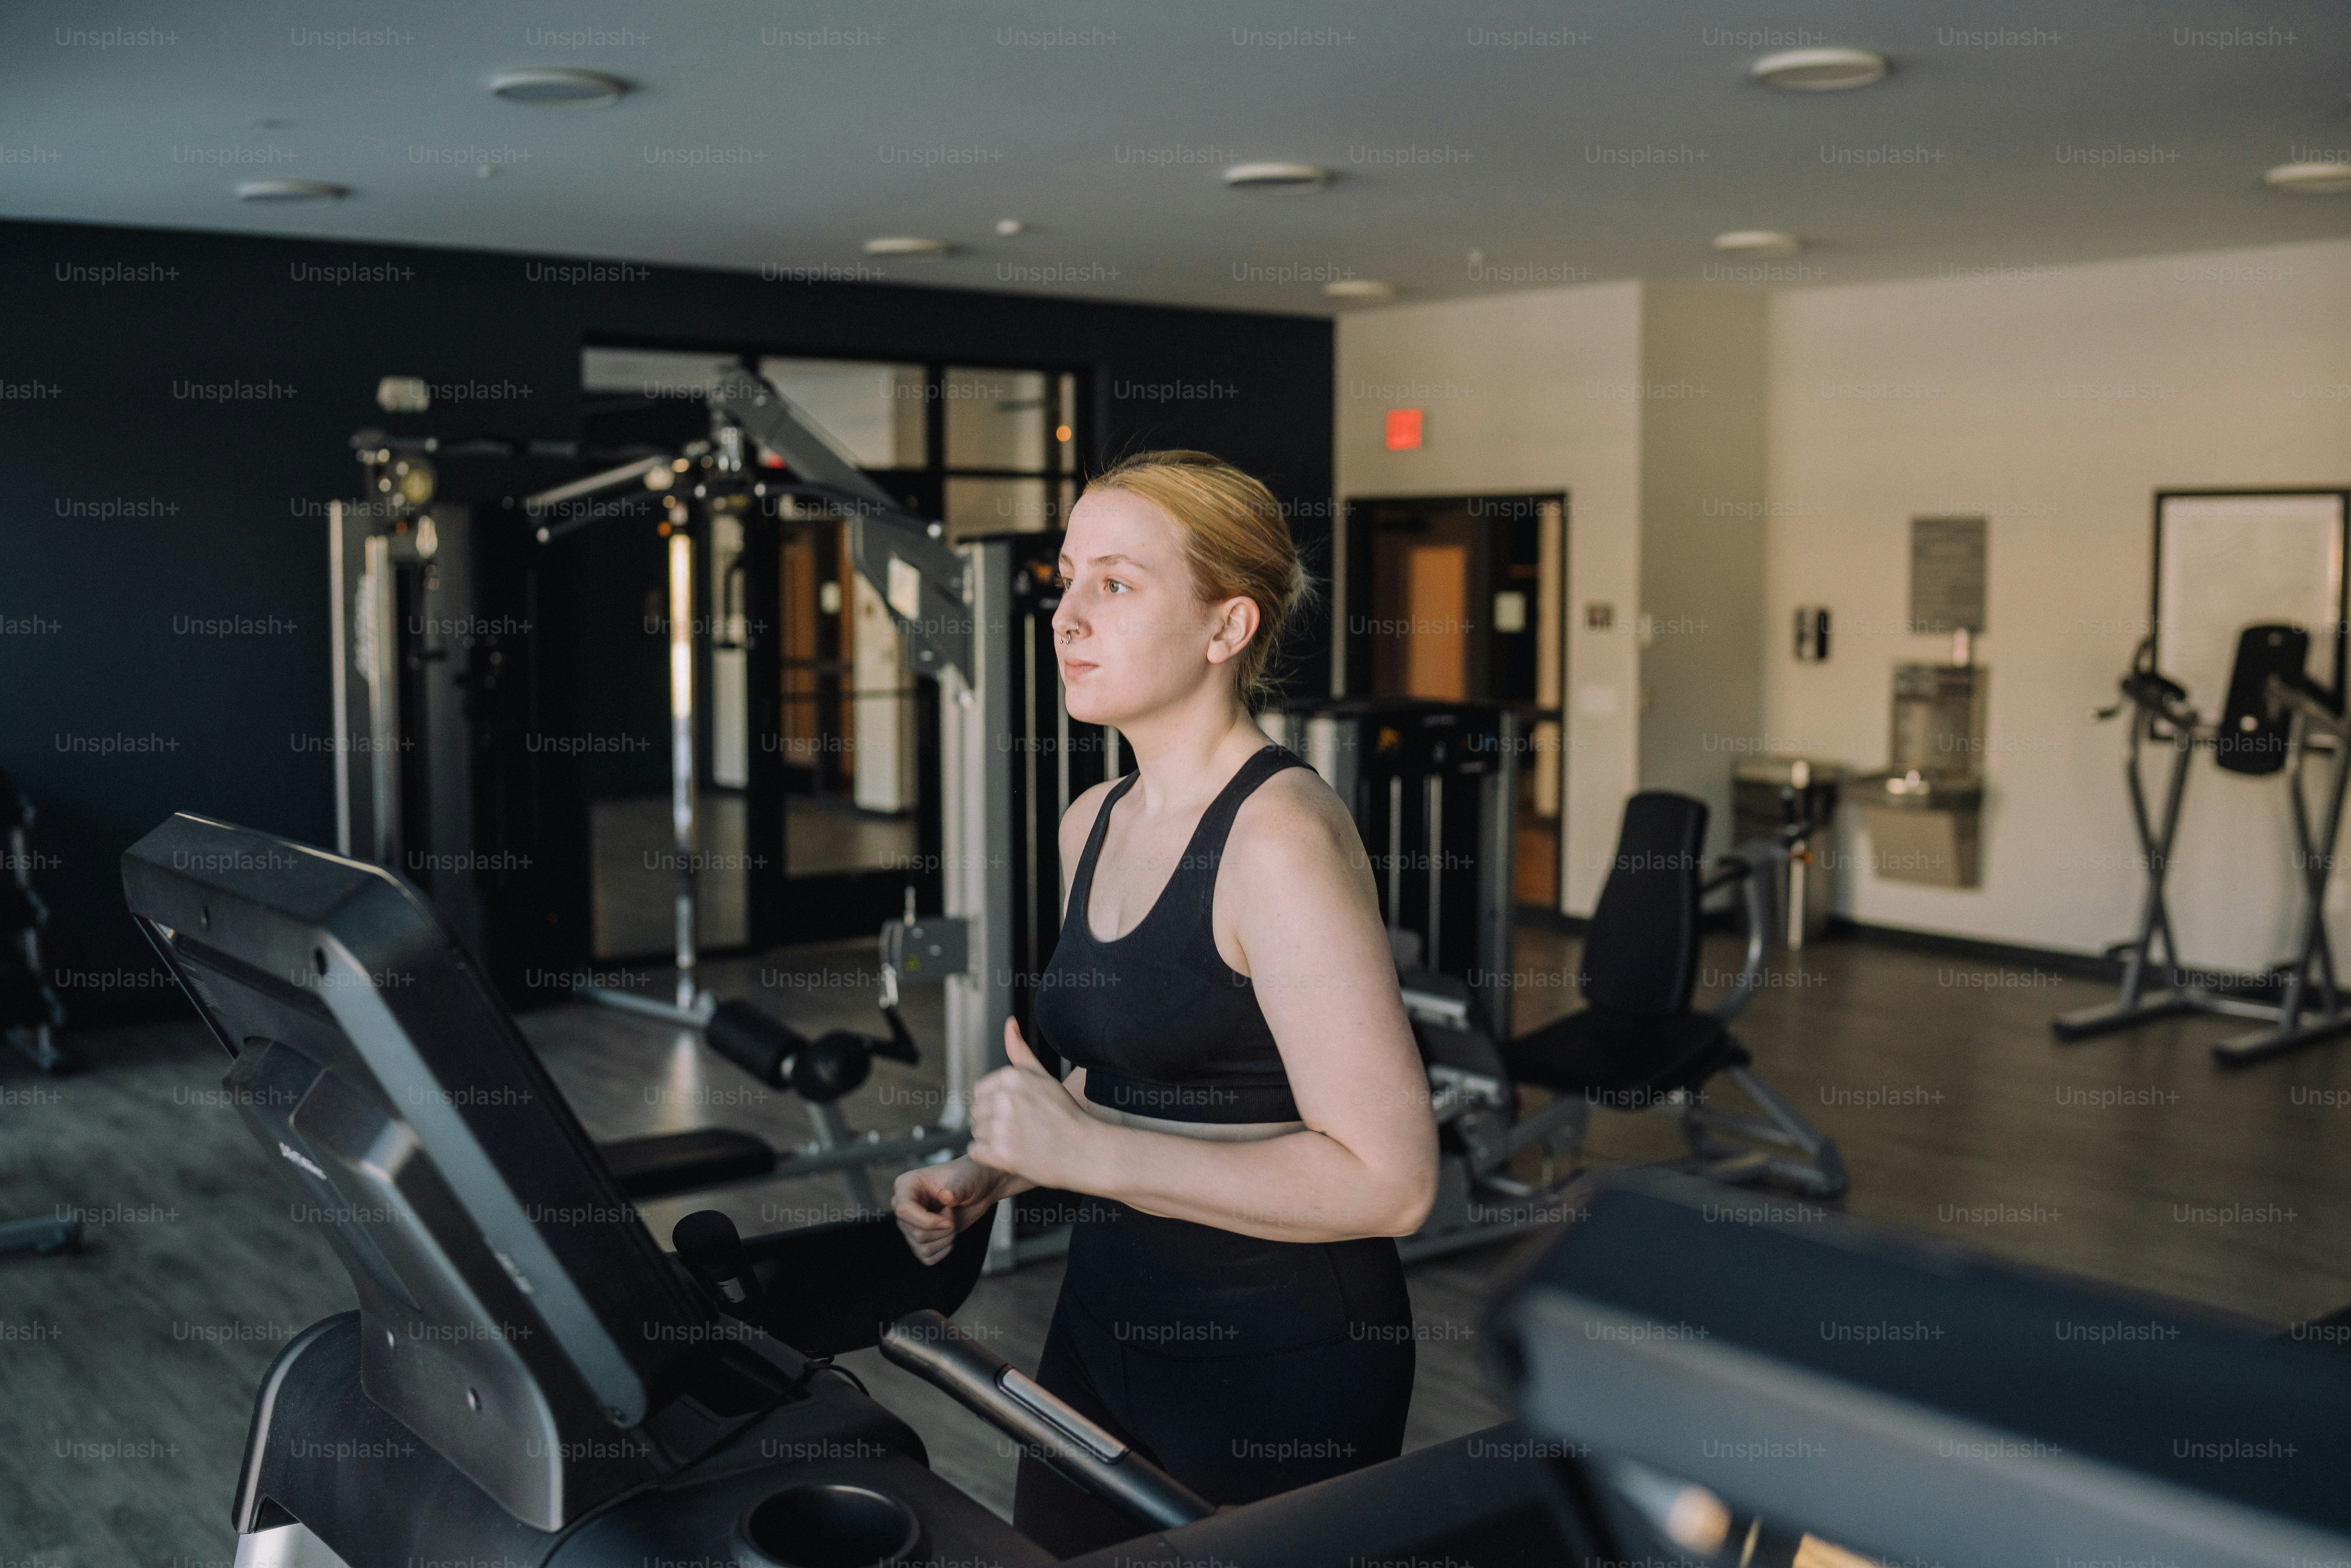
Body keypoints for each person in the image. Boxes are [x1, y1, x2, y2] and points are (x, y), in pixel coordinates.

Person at [892, 449, 1440, 1556]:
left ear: (1226, 628)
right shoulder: (1093, 818)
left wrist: (1086, 1157)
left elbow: (1393, 1182)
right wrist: (991, 1168)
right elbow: (1113, 1075)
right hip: (1103, 1320)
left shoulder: (1277, 839)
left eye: (1118, 584)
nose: (1068, 615)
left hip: (1278, 1353)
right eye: (1067, 577)